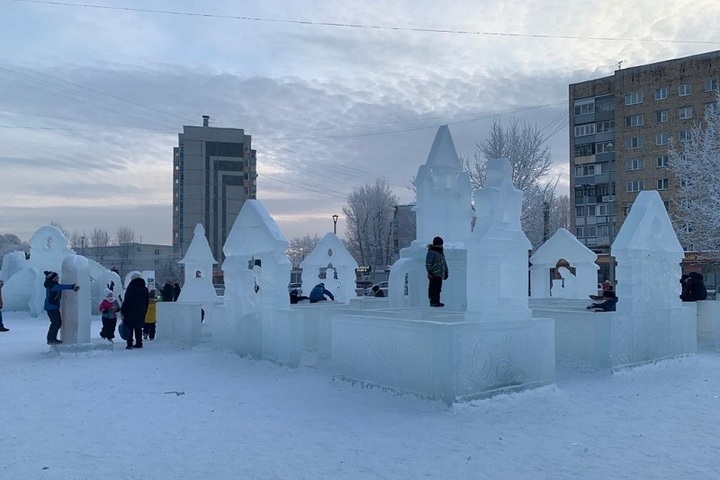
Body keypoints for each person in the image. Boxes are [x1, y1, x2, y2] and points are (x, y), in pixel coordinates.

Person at [43, 271, 79, 345]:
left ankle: (51, 339)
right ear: (53, 279)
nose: (58, 278)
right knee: (56, 323)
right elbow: (60, 287)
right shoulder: (53, 286)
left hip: (52, 307)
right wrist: (72, 287)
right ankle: (51, 339)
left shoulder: (51, 284)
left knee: (56, 323)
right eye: (57, 277)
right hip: (52, 307)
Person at [121, 274, 150, 349]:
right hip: (141, 311)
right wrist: (144, 311)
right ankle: (139, 343)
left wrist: (123, 310)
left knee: (129, 327)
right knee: (138, 328)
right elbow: (147, 302)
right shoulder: (145, 289)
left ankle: (129, 343)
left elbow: (127, 300)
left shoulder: (131, 288)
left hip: (130, 311)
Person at [426, 236, 449, 307]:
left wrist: (446, 272)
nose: (440, 246)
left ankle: (437, 301)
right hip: (434, 274)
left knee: (438, 288)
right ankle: (432, 301)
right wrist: (429, 272)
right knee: (433, 288)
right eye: (439, 244)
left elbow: (444, 263)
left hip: (440, 274)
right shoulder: (431, 252)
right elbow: (428, 263)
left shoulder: (441, 252)